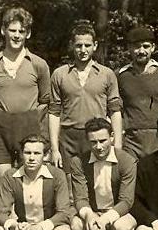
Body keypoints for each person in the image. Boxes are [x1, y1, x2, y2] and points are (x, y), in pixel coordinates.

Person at [0, 7, 51, 183]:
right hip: (0, 127)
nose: (17, 35)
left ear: (28, 34)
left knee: (29, 182)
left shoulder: (38, 64)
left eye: (22, 31)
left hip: (28, 125)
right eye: (12, 30)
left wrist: (32, 117)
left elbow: (45, 99)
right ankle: (6, 211)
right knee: (4, 180)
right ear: (3, 30)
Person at [69, 118, 138, 230]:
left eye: (102, 141)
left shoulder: (127, 161)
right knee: (77, 225)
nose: (98, 147)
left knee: (124, 228)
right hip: (94, 213)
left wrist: (106, 219)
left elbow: (126, 201)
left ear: (112, 137)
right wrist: (89, 215)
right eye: (93, 142)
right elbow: (80, 198)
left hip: (117, 214)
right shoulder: (79, 162)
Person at [49, 22, 123, 173]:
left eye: (87, 45)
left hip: (97, 138)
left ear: (95, 45)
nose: (83, 50)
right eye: (79, 45)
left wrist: (118, 146)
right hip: (69, 138)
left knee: (96, 183)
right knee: (70, 185)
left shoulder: (107, 74)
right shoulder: (59, 74)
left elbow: (115, 111)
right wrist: (55, 148)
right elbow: (54, 113)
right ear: (72, 45)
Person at [117, 26, 158, 160]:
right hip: (132, 140)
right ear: (129, 48)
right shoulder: (121, 75)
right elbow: (116, 109)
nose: (141, 51)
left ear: (153, 48)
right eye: (136, 47)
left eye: (146, 46)